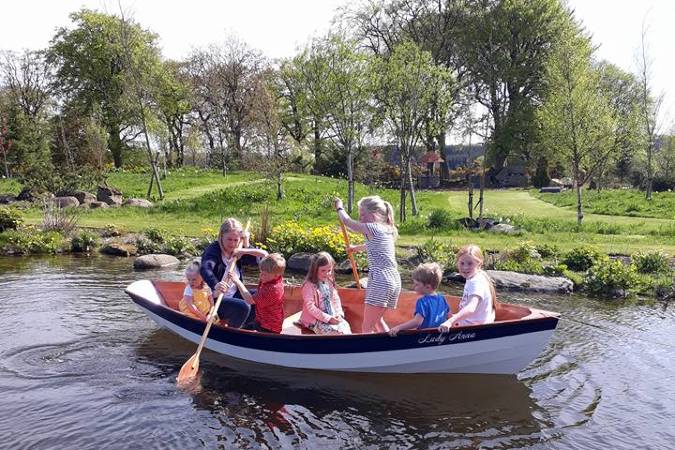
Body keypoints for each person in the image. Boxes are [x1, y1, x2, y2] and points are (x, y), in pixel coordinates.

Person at [334, 195, 401, 333]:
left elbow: (347, 221)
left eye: (362, 214)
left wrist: (339, 207)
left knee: (366, 327)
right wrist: (355, 248)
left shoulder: (373, 227)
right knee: (377, 321)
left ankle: (368, 353)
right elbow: (373, 245)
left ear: (375, 214)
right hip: (394, 279)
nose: (360, 218)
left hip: (381, 280)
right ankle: (389, 349)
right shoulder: (387, 229)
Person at [200, 218, 268, 328]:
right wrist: (215, 284)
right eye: (229, 239)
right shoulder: (213, 250)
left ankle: (245, 327)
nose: (232, 244)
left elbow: (255, 263)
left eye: (236, 240)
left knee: (260, 298)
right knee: (243, 307)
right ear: (221, 236)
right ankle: (232, 332)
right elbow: (205, 269)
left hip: (234, 293)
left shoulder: (239, 249)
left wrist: (246, 245)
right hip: (215, 298)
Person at [439, 245, 497, 331]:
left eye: (470, 263)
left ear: (479, 264)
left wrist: (450, 322)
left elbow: (471, 307)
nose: (465, 267)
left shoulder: (476, 282)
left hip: (472, 328)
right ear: (457, 263)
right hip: (476, 323)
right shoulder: (479, 276)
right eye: (462, 263)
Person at [227, 253, 286, 334]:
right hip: (260, 320)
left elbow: (250, 300)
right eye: (260, 272)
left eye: (264, 274)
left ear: (276, 275)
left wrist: (237, 281)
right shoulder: (271, 277)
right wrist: (242, 251)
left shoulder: (273, 289)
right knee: (240, 329)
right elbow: (263, 253)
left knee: (239, 334)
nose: (261, 276)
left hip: (269, 327)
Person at [388, 262, 449, 336]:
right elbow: (450, 317)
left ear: (428, 287)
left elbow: (417, 322)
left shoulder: (422, 302)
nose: (414, 287)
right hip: (438, 336)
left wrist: (398, 327)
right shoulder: (442, 298)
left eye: (417, 284)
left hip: (422, 338)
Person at [300, 252, 352, 335]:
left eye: (329, 270)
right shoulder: (309, 286)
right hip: (314, 320)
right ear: (315, 269)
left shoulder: (329, 281)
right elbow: (310, 307)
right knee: (334, 332)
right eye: (323, 270)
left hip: (331, 315)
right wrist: (328, 318)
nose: (327, 273)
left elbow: (335, 299)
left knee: (345, 326)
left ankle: (345, 346)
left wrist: (339, 314)